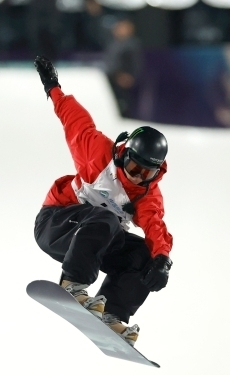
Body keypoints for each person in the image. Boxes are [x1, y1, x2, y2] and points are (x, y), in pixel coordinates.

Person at [32, 56, 173, 346]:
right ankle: (72, 284)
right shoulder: (96, 151)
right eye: (134, 168)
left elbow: (156, 227)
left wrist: (161, 260)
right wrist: (53, 86)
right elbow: (73, 117)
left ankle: (113, 313)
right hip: (56, 225)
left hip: (92, 243)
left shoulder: (147, 195)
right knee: (105, 218)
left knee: (142, 255)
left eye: (146, 174)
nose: (136, 178)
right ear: (123, 155)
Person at [104, 18, 144, 117]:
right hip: (111, 79)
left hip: (123, 80)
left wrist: (130, 76)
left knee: (124, 106)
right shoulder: (113, 43)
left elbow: (136, 64)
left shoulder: (132, 44)